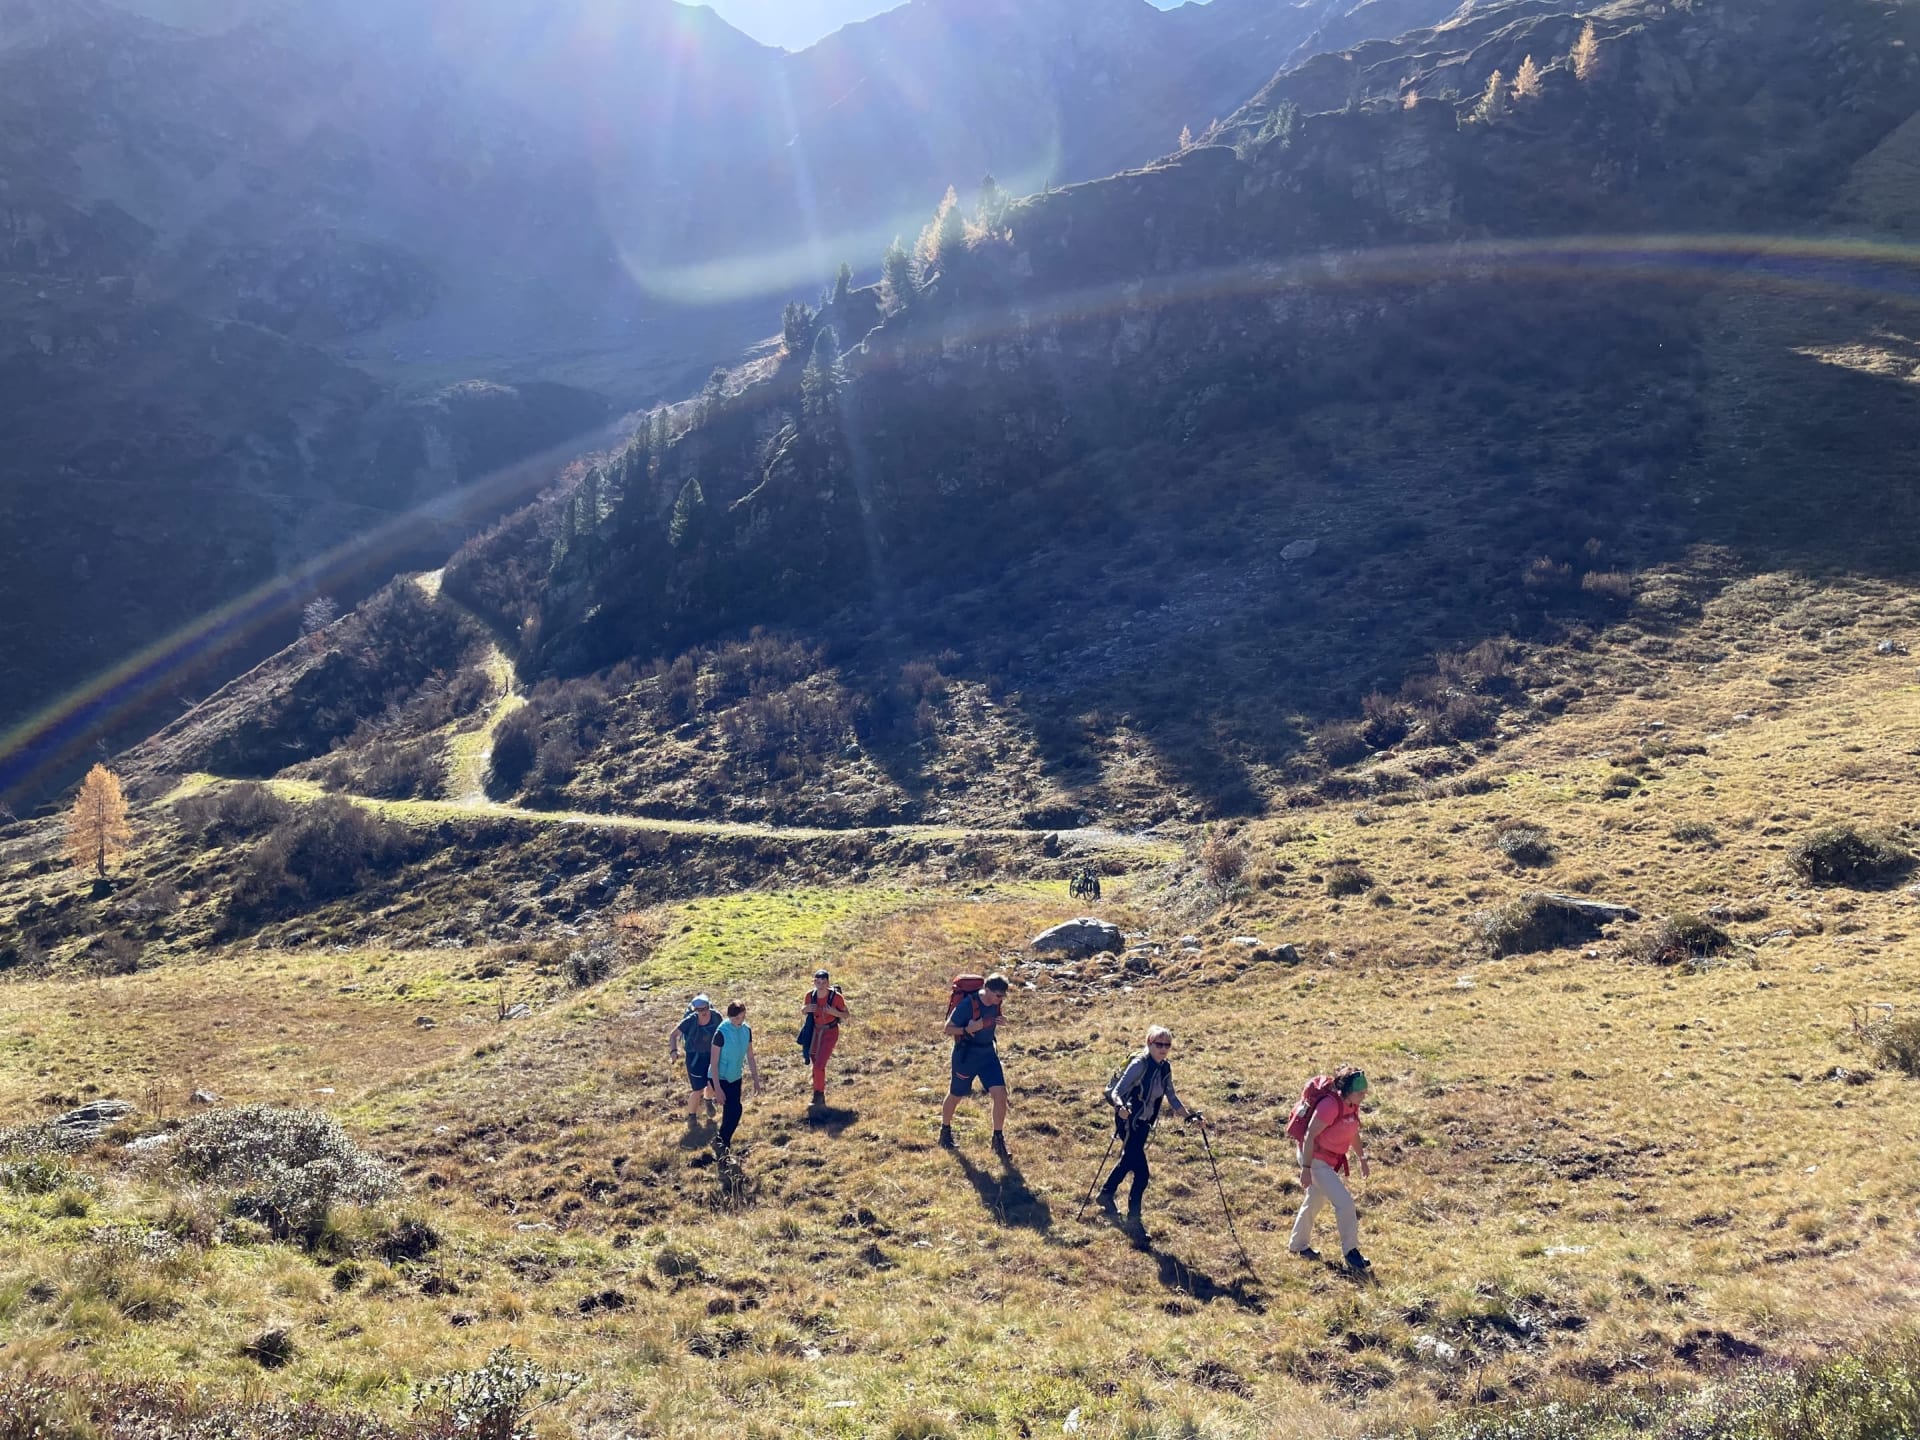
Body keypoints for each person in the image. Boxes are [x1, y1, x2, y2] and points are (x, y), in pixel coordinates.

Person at [1098, 1025, 1199, 1226]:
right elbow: (1117, 1092)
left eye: (1167, 1045)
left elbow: (1172, 1096)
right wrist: (1120, 1107)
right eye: (1159, 1044)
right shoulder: (1139, 1064)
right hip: (1129, 1121)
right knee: (1142, 1174)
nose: (1163, 1049)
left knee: (1129, 1160)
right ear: (1149, 1043)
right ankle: (1134, 1219)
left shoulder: (1165, 1068)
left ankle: (1106, 1195)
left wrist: (1189, 1117)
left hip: (1144, 1123)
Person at [1288, 1066, 1371, 1272]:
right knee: (1345, 1203)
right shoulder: (1329, 1106)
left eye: (1365, 1092)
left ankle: (1298, 1245)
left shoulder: (1352, 1105)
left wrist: (1362, 1158)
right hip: (1315, 1159)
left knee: (1315, 1200)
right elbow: (1309, 1136)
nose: (1364, 1096)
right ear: (1347, 1091)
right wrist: (1306, 1168)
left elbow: (1352, 1132)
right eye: (1360, 1093)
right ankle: (1351, 1252)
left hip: (1326, 1160)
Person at [940, 973, 1011, 1158]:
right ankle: (945, 1131)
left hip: (988, 1055)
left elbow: (995, 1016)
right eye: (998, 995)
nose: (1001, 999)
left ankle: (998, 1139)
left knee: (1001, 1094)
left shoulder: (996, 1003)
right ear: (986, 990)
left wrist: (1001, 1020)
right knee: (956, 1094)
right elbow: (947, 1028)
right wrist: (967, 1029)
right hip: (966, 1056)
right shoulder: (967, 1005)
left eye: (1003, 996)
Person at [709, 1001, 763, 1151]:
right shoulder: (721, 1033)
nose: (739, 1021)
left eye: (742, 1017)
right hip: (719, 1077)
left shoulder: (746, 1030)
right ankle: (722, 1142)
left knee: (731, 1111)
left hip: (735, 1076)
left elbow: (750, 1056)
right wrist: (717, 1089)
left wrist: (756, 1080)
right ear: (729, 1016)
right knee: (735, 1109)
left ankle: (721, 1142)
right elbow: (714, 1062)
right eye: (736, 1018)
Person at [801, 968, 849, 1106]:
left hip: (830, 1032)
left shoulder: (836, 997)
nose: (820, 984)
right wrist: (805, 1009)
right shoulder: (810, 995)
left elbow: (846, 1015)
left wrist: (834, 1012)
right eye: (818, 982)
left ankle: (818, 1096)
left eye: (823, 982)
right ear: (814, 982)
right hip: (814, 1033)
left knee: (819, 1065)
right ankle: (818, 1090)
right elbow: (803, 1009)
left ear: (828, 983)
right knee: (816, 1063)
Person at [668, 995, 720, 1120]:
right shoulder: (690, 1021)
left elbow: (723, 1032)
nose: (704, 1012)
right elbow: (673, 1035)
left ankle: (708, 1101)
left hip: (712, 1055)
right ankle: (692, 1117)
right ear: (695, 1010)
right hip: (694, 1059)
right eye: (700, 1010)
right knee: (698, 1090)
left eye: (706, 1008)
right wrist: (673, 1051)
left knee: (712, 1084)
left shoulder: (716, 1017)